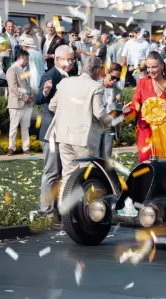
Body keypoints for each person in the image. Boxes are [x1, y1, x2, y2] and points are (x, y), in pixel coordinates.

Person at [45, 56, 118, 202]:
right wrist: (112, 121)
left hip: (64, 135)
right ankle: (88, 210)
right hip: (84, 138)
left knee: (68, 175)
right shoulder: (95, 86)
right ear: (97, 70)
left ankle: (65, 211)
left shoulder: (65, 82)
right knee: (88, 174)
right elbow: (99, 113)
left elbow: (52, 106)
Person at [35, 45, 74, 214]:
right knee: (51, 171)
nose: (71, 62)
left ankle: (56, 207)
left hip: (63, 130)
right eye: (68, 59)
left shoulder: (70, 75)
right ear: (57, 59)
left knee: (61, 171)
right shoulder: (49, 75)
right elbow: (38, 99)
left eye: (72, 59)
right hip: (51, 131)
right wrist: (45, 91)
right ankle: (46, 210)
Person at [122, 51, 166, 162]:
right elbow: (135, 105)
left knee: (165, 163)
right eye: (148, 67)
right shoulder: (142, 82)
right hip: (145, 130)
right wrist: (129, 110)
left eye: (154, 67)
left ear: (162, 66)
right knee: (145, 163)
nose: (150, 71)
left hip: (165, 132)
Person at [6, 50, 34, 156]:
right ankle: (11, 148)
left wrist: (31, 97)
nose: (27, 61)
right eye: (26, 59)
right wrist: (26, 98)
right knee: (13, 127)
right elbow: (13, 88)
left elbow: (27, 87)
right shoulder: (12, 69)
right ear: (20, 58)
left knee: (25, 127)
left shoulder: (24, 70)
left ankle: (26, 148)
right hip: (16, 104)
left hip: (27, 104)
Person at [99, 63, 123, 159]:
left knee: (106, 156)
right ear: (107, 73)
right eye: (113, 77)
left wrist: (121, 110)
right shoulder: (95, 85)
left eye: (117, 79)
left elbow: (119, 108)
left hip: (109, 125)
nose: (114, 81)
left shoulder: (118, 91)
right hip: (96, 124)